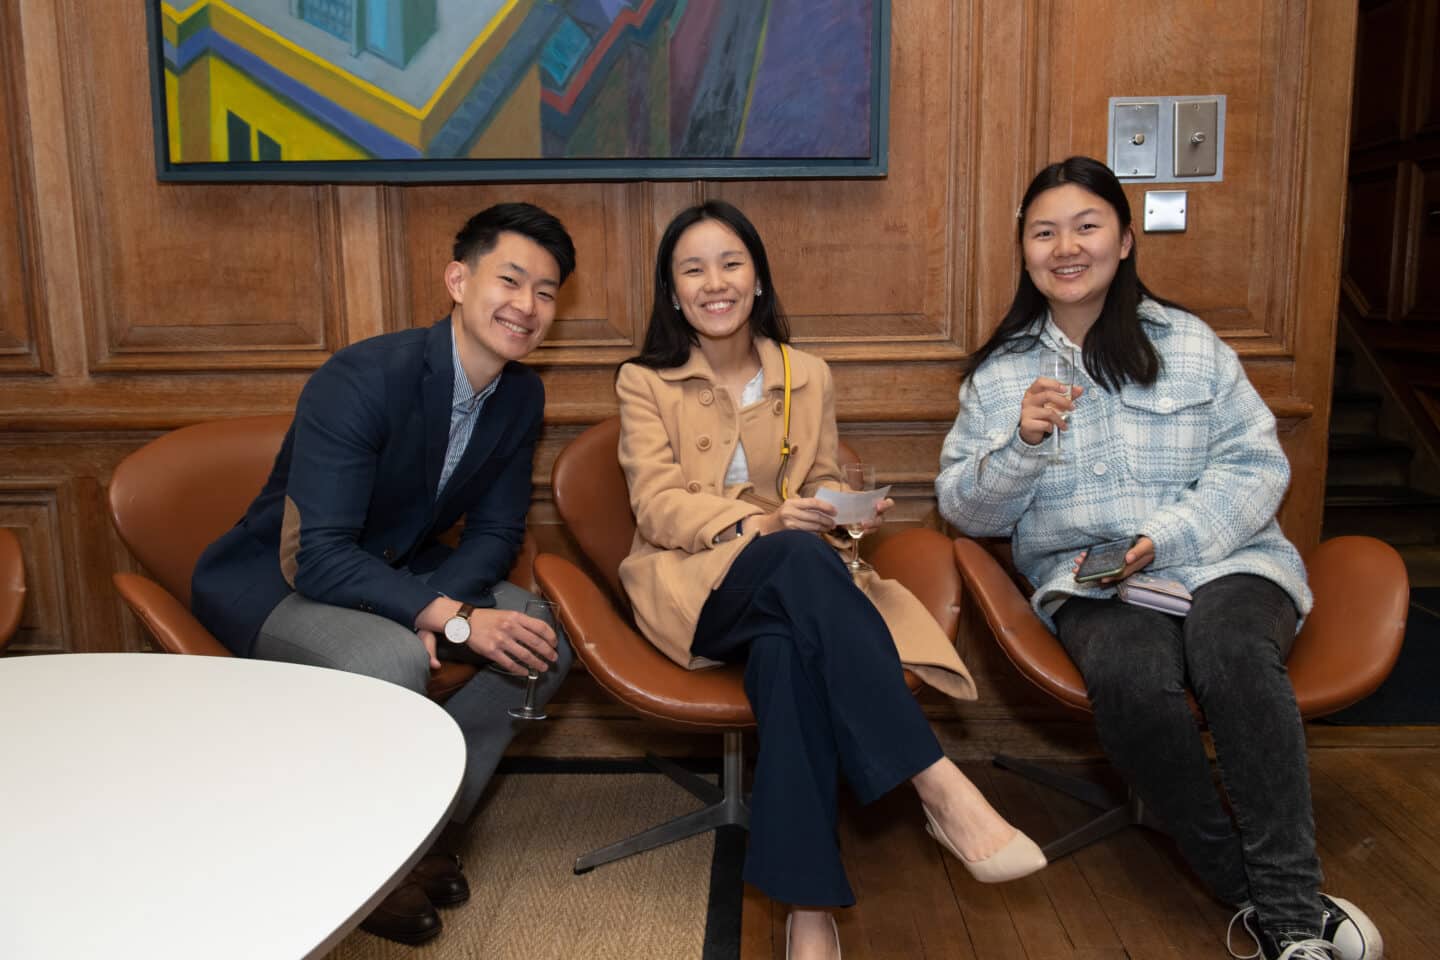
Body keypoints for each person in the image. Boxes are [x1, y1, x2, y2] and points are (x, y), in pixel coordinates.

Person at [935, 156, 1382, 960]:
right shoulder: (1002, 377)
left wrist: (1167, 539)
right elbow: (964, 510)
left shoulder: (1191, 344)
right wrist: (1023, 444)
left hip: (1228, 560)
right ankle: (1275, 903)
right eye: (1044, 232)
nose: (1065, 246)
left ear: (1125, 239)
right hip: (1094, 585)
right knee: (1134, 682)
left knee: (1233, 651)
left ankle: (1285, 926)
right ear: (1025, 252)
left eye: (1086, 225)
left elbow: (1258, 464)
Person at [616, 200, 1046, 960]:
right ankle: (936, 781)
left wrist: (840, 512)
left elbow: (814, 479)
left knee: (787, 659)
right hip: (696, 589)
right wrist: (766, 525)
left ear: (758, 278)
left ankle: (810, 912)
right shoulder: (644, 382)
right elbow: (656, 507)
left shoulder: (805, 373)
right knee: (791, 560)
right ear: (672, 291)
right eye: (693, 269)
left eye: (730, 263)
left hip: (797, 586)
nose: (715, 282)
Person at [191, 202, 577, 946]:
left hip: (397, 571)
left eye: (548, 291)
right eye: (511, 280)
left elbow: (497, 532)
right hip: (280, 581)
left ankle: (423, 831)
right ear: (458, 280)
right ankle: (368, 868)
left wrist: (444, 602)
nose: (527, 305)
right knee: (391, 658)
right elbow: (321, 553)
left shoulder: (521, 393)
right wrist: (444, 617)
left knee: (538, 637)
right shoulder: (363, 376)